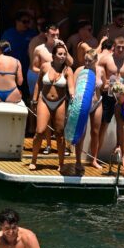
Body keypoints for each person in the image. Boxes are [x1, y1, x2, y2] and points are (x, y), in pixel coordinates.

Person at [29, 42, 75, 173]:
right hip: (44, 100)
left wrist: (73, 95)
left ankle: (61, 163)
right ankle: (33, 160)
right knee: (40, 131)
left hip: (60, 102)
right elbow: (38, 84)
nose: (62, 56)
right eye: (60, 54)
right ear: (54, 55)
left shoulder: (68, 70)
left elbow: (71, 87)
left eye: (64, 54)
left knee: (60, 133)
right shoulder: (45, 66)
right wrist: (34, 99)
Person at [97, 36, 124, 154]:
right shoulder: (105, 60)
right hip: (108, 95)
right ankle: (96, 154)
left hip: (122, 96)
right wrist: (103, 84)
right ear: (113, 47)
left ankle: (121, 150)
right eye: (118, 47)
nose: (120, 50)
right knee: (104, 123)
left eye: (123, 47)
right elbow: (99, 76)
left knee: (122, 124)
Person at [74, 49, 106, 174]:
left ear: (95, 60)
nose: (86, 63)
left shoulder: (101, 71)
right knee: (81, 133)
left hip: (97, 103)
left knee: (95, 132)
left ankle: (94, 159)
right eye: (85, 60)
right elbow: (74, 86)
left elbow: (103, 86)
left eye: (89, 61)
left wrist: (114, 85)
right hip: (83, 103)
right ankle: (78, 161)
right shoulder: (80, 70)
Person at [0, 11, 38, 97]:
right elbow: (1, 50)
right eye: (24, 22)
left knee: (26, 93)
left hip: (27, 68)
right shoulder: (8, 33)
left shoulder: (33, 34)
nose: (26, 24)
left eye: (28, 22)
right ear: (17, 21)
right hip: (11, 68)